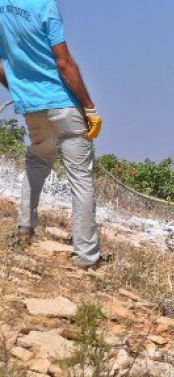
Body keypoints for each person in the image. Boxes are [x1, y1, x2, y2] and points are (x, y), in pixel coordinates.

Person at [0, 0, 103, 267]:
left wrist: (20, 89)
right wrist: (89, 108)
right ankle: (86, 256)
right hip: (62, 104)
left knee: (37, 159)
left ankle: (25, 228)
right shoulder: (45, 6)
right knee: (80, 178)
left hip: (32, 107)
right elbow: (64, 62)